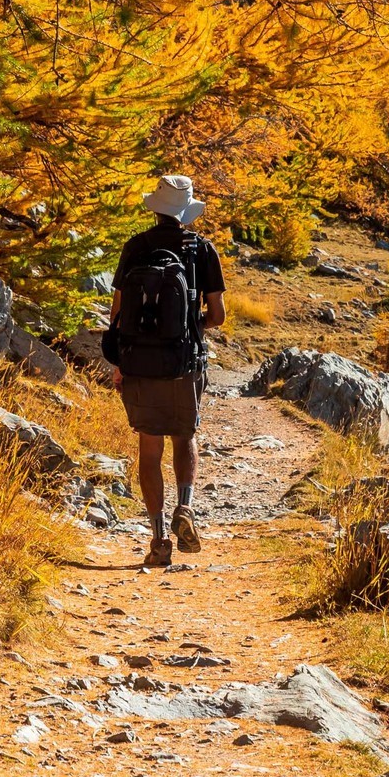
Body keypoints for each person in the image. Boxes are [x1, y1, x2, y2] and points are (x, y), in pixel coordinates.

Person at [104, 174, 226, 568]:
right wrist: (191, 328)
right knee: (184, 436)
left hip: (139, 363)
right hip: (184, 362)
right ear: (186, 211)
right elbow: (218, 316)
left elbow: (118, 314)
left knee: (149, 448)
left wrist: (121, 363)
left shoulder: (135, 247)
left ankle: (158, 540)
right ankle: (185, 507)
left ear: (155, 209)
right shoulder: (201, 249)